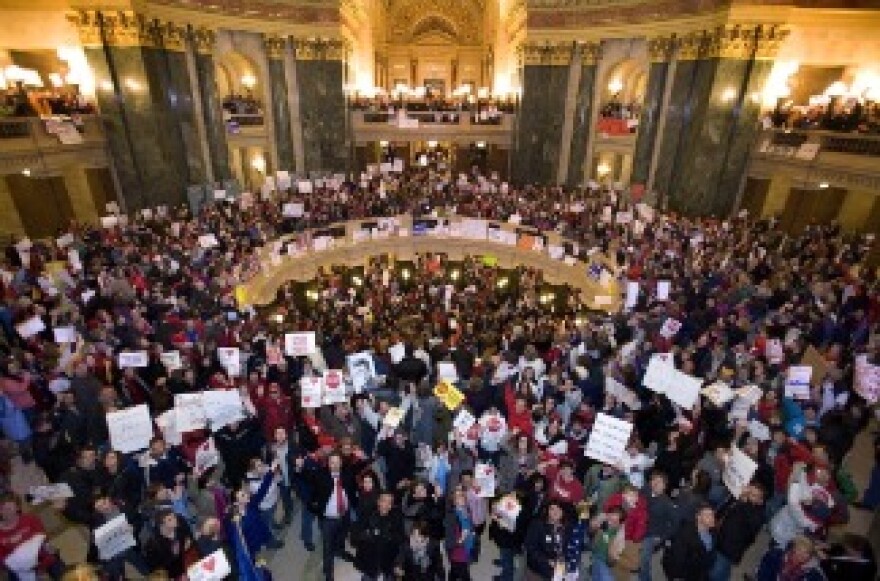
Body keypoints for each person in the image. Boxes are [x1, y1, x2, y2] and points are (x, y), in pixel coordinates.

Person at [306, 451, 359, 581]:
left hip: (344, 515)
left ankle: (340, 552)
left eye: (337, 462)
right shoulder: (320, 475)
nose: (334, 465)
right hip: (328, 519)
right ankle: (328, 571)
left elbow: (352, 490)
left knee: (341, 537)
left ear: (341, 463)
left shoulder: (347, 474)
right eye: (332, 462)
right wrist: (316, 509)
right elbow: (311, 492)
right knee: (328, 546)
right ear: (328, 463)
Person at [0, 494, 63, 580]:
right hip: (19, 568)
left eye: (9, 509)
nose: (6, 512)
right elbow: (3, 561)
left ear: (18, 509)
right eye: (2, 509)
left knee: (60, 569)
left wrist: (41, 569)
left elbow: (43, 542)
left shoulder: (31, 520)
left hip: (42, 558)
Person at [711, 482, 766, 581]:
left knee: (715, 573)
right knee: (723, 571)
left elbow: (749, 518)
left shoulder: (758, 515)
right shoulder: (740, 500)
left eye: (753, 495)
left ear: (760, 501)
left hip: (728, 549)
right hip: (720, 539)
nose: (748, 496)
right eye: (749, 492)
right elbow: (724, 509)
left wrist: (744, 500)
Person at [351, 491, 405, 580]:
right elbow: (355, 536)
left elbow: (401, 538)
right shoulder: (367, 514)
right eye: (384, 501)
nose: (386, 505)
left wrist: (389, 536)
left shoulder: (397, 517)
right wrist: (368, 534)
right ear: (378, 502)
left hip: (388, 559)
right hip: (369, 560)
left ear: (391, 505)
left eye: (389, 502)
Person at [639, 470, 678, 581]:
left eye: (659, 482)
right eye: (653, 480)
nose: (655, 484)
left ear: (664, 486)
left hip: (651, 534)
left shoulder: (668, 504)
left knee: (644, 560)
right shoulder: (645, 489)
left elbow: (674, 525)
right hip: (639, 527)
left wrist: (661, 537)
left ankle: (645, 578)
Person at [662, 504, 717, 581]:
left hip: (702, 571)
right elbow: (677, 559)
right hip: (687, 574)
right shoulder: (685, 535)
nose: (712, 518)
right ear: (698, 517)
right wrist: (678, 577)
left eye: (712, 515)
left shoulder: (712, 531)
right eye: (707, 515)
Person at [524, 499, 568, 581]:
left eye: (559, 509)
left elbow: (563, 548)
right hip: (537, 571)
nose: (556, 512)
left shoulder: (564, 527)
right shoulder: (537, 525)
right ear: (547, 511)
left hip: (556, 571)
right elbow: (529, 547)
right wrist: (547, 561)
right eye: (552, 509)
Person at [756, 535, 826, 581]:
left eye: (806, 553)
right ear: (793, 549)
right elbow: (763, 575)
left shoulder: (814, 573)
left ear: (810, 556)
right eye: (799, 550)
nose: (801, 555)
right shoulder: (774, 555)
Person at [445, 486, 476, 581]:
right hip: (458, 548)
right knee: (462, 570)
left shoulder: (466, 510)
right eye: (457, 497)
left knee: (456, 569)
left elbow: (470, 524)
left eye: (462, 495)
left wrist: (472, 531)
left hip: (467, 546)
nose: (461, 498)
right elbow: (449, 538)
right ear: (453, 501)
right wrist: (461, 539)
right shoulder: (451, 516)